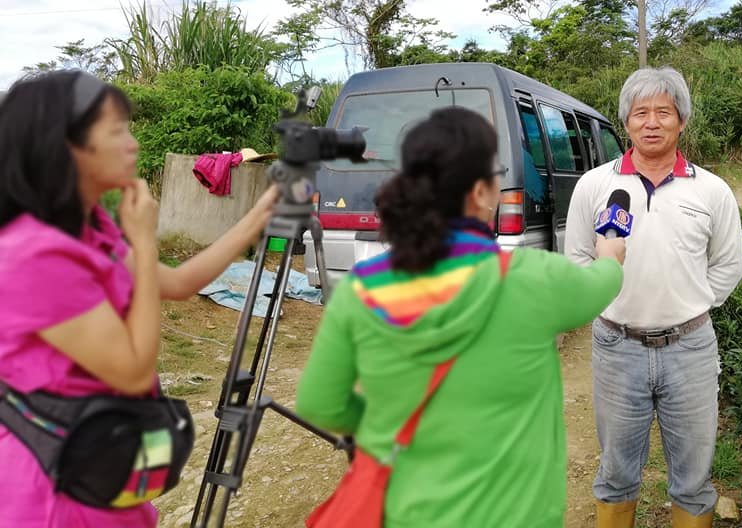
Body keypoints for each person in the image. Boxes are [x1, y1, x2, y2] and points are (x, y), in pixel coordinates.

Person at [296, 106, 625, 528]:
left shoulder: (360, 290)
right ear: (481, 192)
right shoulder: (533, 279)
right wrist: (611, 254)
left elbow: (318, 402)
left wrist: (384, 427)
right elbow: (601, 285)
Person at [0, 70, 278, 527]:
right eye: (116, 132)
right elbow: (131, 370)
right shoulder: (35, 255)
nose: (132, 144)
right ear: (64, 145)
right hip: (54, 489)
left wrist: (261, 214)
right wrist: (146, 242)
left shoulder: (89, 229)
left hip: (103, 457)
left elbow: (179, 283)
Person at [565, 67, 742, 528]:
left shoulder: (711, 190)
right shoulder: (595, 186)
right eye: (640, 112)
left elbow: (728, 265)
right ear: (626, 121)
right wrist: (603, 293)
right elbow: (578, 258)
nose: (651, 122)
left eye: (663, 112)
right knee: (616, 475)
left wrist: (687, 304)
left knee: (693, 479)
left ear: (681, 120)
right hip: (616, 348)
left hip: (691, 349)